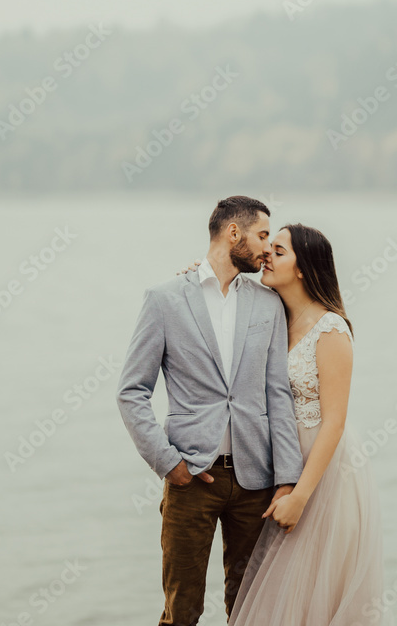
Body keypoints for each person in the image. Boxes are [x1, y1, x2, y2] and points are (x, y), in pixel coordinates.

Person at [115, 196, 304, 626]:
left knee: (252, 608)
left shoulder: (268, 304)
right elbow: (131, 391)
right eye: (261, 236)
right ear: (233, 233)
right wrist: (169, 463)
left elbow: (278, 393)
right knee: (182, 609)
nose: (265, 249)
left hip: (256, 479)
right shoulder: (164, 300)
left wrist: (287, 479)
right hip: (191, 479)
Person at [226, 222, 391, 625]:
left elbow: (334, 422)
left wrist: (300, 495)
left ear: (303, 268)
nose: (266, 256)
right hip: (278, 464)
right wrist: (197, 273)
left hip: (322, 473)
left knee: (308, 592)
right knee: (271, 593)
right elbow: (224, 289)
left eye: (278, 251)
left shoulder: (331, 330)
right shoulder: (273, 315)